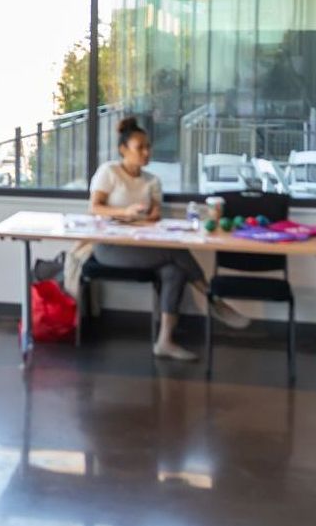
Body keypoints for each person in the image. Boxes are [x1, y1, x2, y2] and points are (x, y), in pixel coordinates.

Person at [86, 117, 249, 361]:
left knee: (174, 270)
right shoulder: (109, 172)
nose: (146, 152)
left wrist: (149, 214)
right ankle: (212, 297)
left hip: (143, 245)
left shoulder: (152, 180)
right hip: (110, 247)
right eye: (139, 147)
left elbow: (155, 215)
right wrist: (125, 213)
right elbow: (95, 207)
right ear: (123, 150)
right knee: (177, 252)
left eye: (148, 147)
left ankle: (165, 341)